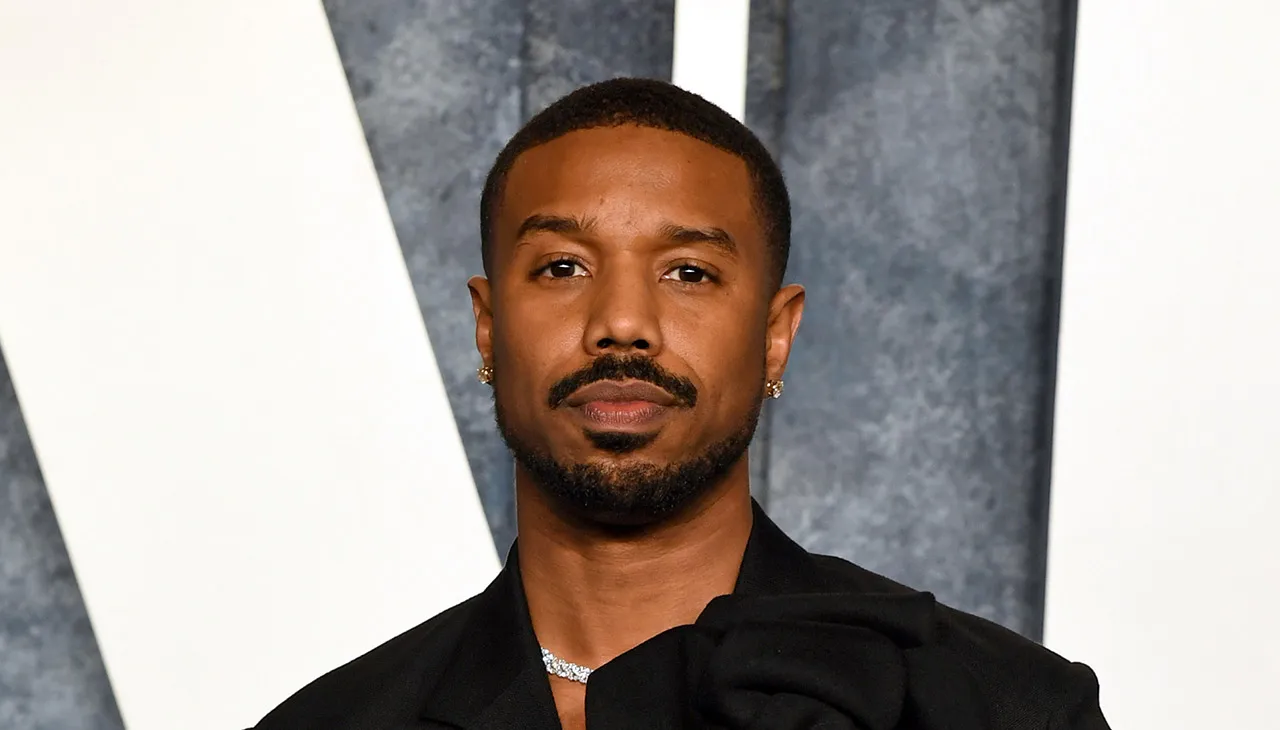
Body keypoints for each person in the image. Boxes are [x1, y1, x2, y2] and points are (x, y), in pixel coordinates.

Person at [252, 78, 1109, 729]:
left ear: (775, 335)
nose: (622, 324)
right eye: (563, 268)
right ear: (487, 328)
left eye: (688, 273)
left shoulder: (999, 707)